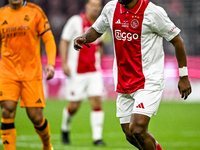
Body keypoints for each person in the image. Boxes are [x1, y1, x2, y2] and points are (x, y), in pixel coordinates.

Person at [74, 0, 192, 149]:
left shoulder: (153, 12)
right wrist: (84, 37)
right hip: (123, 79)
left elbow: (177, 40)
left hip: (148, 79)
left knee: (137, 128)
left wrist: (183, 76)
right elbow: (96, 30)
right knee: (130, 134)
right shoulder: (111, 8)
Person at [0, 0, 56, 150]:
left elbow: (48, 38)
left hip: (31, 73)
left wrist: (50, 63)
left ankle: (47, 145)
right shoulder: (1, 15)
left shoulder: (35, 12)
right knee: (7, 109)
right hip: (7, 73)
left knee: (36, 117)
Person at [59, 0, 106, 146]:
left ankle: (97, 138)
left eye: (98, 6)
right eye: (92, 5)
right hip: (77, 72)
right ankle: (65, 127)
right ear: (86, 6)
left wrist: (99, 57)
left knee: (96, 101)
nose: (95, 8)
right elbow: (64, 41)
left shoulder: (101, 24)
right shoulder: (75, 21)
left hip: (94, 71)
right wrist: (64, 63)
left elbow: (101, 45)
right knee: (74, 105)